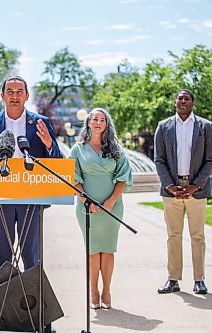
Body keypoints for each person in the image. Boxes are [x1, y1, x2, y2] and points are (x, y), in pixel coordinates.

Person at [0, 75, 62, 273]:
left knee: (32, 257)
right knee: (0, 258)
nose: (15, 96)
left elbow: (57, 162)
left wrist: (49, 143)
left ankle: (32, 303)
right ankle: (1, 302)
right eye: (10, 92)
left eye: (19, 92)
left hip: (31, 199)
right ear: (2, 95)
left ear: (27, 96)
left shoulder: (41, 123)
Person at [69, 108, 132, 309]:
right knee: (92, 250)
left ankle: (107, 291)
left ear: (107, 124)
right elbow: (73, 178)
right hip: (86, 207)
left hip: (112, 207)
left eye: (102, 120)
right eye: (94, 119)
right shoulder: (77, 150)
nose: (98, 122)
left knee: (108, 249)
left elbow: (123, 177)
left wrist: (111, 201)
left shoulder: (116, 149)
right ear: (88, 123)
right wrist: (86, 200)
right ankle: (93, 292)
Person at [154, 89, 212, 295]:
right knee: (173, 235)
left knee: (197, 236)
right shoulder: (163, 127)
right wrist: (170, 185)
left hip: (196, 191)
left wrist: (195, 185)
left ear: (192, 103)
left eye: (186, 98)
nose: (182, 101)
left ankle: (199, 280)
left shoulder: (205, 127)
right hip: (171, 191)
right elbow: (159, 159)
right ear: (175, 102)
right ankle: (173, 279)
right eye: (180, 98)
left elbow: (210, 160)